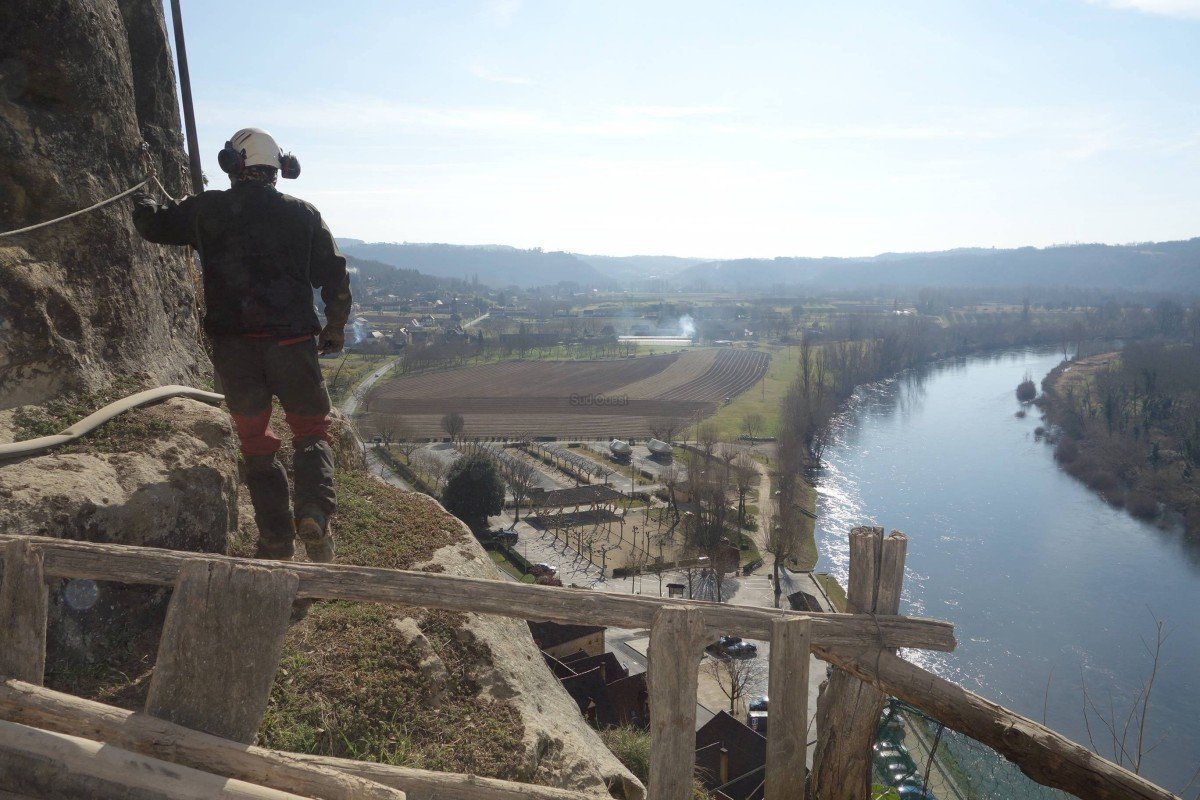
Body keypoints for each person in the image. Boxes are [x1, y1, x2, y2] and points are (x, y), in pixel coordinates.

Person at [131, 127, 351, 563]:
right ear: (277, 169)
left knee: (256, 443)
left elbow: (154, 226)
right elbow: (334, 276)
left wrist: (142, 200)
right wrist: (335, 327)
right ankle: (313, 514)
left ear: (235, 164)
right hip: (292, 344)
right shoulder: (304, 214)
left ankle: (274, 540)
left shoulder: (208, 210)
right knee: (310, 433)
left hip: (236, 349)